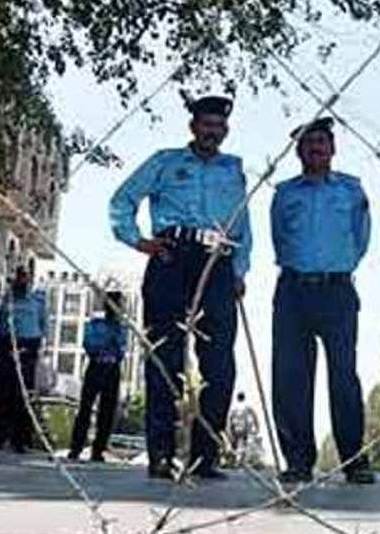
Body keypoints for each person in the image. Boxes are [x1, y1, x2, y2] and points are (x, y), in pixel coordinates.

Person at [109, 95, 252, 480]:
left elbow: (243, 227)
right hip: (172, 258)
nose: (213, 132)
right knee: (164, 358)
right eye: (207, 124)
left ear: (226, 131)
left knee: (219, 363)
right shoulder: (166, 162)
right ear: (194, 127)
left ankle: (205, 457)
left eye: (219, 126)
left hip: (217, 265)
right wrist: (138, 240)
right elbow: (122, 200)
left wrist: (239, 271)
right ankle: (161, 454)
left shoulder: (233, 169)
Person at [269, 117, 374, 485]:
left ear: (333, 149)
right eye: (309, 143)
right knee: (291, 377)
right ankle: (298, 458)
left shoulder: (351, 191)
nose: (316, 148)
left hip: (337, 290)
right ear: (298, 151)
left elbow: (361, 239)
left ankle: (354, 459)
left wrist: (335, 266)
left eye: (322, 142)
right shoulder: (284, 194)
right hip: (293, 290)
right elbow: (279, 238)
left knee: (343, 376)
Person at [0, 266, 47, 453]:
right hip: (7, 346)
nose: (21, 281)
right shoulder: (5, 300)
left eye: (25, 278)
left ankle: (21, 440)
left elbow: (43, 325)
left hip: (28, 347)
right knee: (1, 393)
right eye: (18, 277)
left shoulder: (37, 301)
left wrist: (35, 346)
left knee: (23, 395)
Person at [68, 292, 128, 463]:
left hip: (112, 369)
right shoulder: (95, 324)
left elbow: (121, 350)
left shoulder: (121, 327)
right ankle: (76, 447)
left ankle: (99, 449)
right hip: (96, 366)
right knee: (85, 408)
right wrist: (106, 346)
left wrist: (111, 344)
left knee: (107, 411)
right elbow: (89, 344)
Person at [226, 392, 259, 462]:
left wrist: (228, 428)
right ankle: (241, 459)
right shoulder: (247, 406)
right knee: (244, 443)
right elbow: (254, 415)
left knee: (235, 443)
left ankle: (234, 459)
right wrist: (257, 426)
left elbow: (230, 418)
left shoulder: (234, 407)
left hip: (235, 427)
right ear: (244, 398)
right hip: (244, 427)